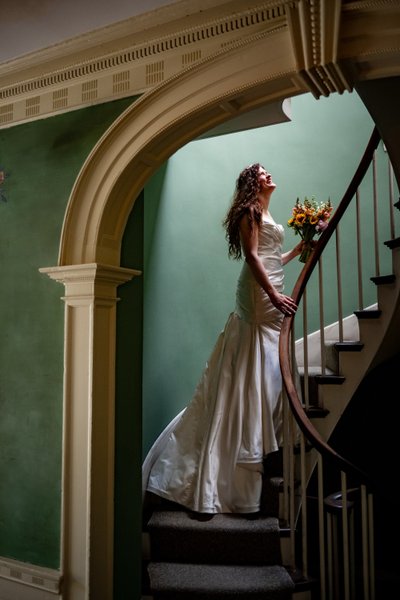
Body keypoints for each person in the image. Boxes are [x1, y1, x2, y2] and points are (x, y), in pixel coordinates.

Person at [146, 163, 304, 515]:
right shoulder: (250, 211)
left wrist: (300, 250)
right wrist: (275, 296)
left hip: (270, 285)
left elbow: (271, 257)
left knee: (266, 359)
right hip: (258, 292)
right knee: (256, 356)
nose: (269, 175)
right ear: (252, 182)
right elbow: (251, 257)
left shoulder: (265, 210)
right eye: (263, 173)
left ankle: (261, 432)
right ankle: (246, 442)